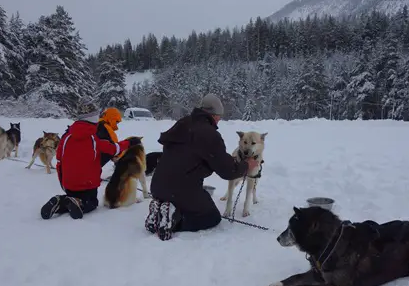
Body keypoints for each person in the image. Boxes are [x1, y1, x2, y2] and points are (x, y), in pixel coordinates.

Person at [146, 93, 260, 240]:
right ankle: (171, 220)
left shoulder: (184, 122)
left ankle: (161, 211)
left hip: (158, 186)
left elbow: (190, 155)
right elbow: (228, 171)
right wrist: (246, 165)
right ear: (214, 115)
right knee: (211, 217)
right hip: (181, 189)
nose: (219, 120)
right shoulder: (209, 134)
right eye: (219, 116)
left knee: (198, 198)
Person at [40, 98, 135, 220]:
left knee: (72, 198)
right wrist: (129, 142)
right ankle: (77, 202)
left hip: (68, 184)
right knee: (92, 203)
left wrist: (63, 182)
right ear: (93, 118)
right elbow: (113, 149)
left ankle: (61, 201)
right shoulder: (93, 139)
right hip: (88, 185)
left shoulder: (66, 137)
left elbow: (59, 161)